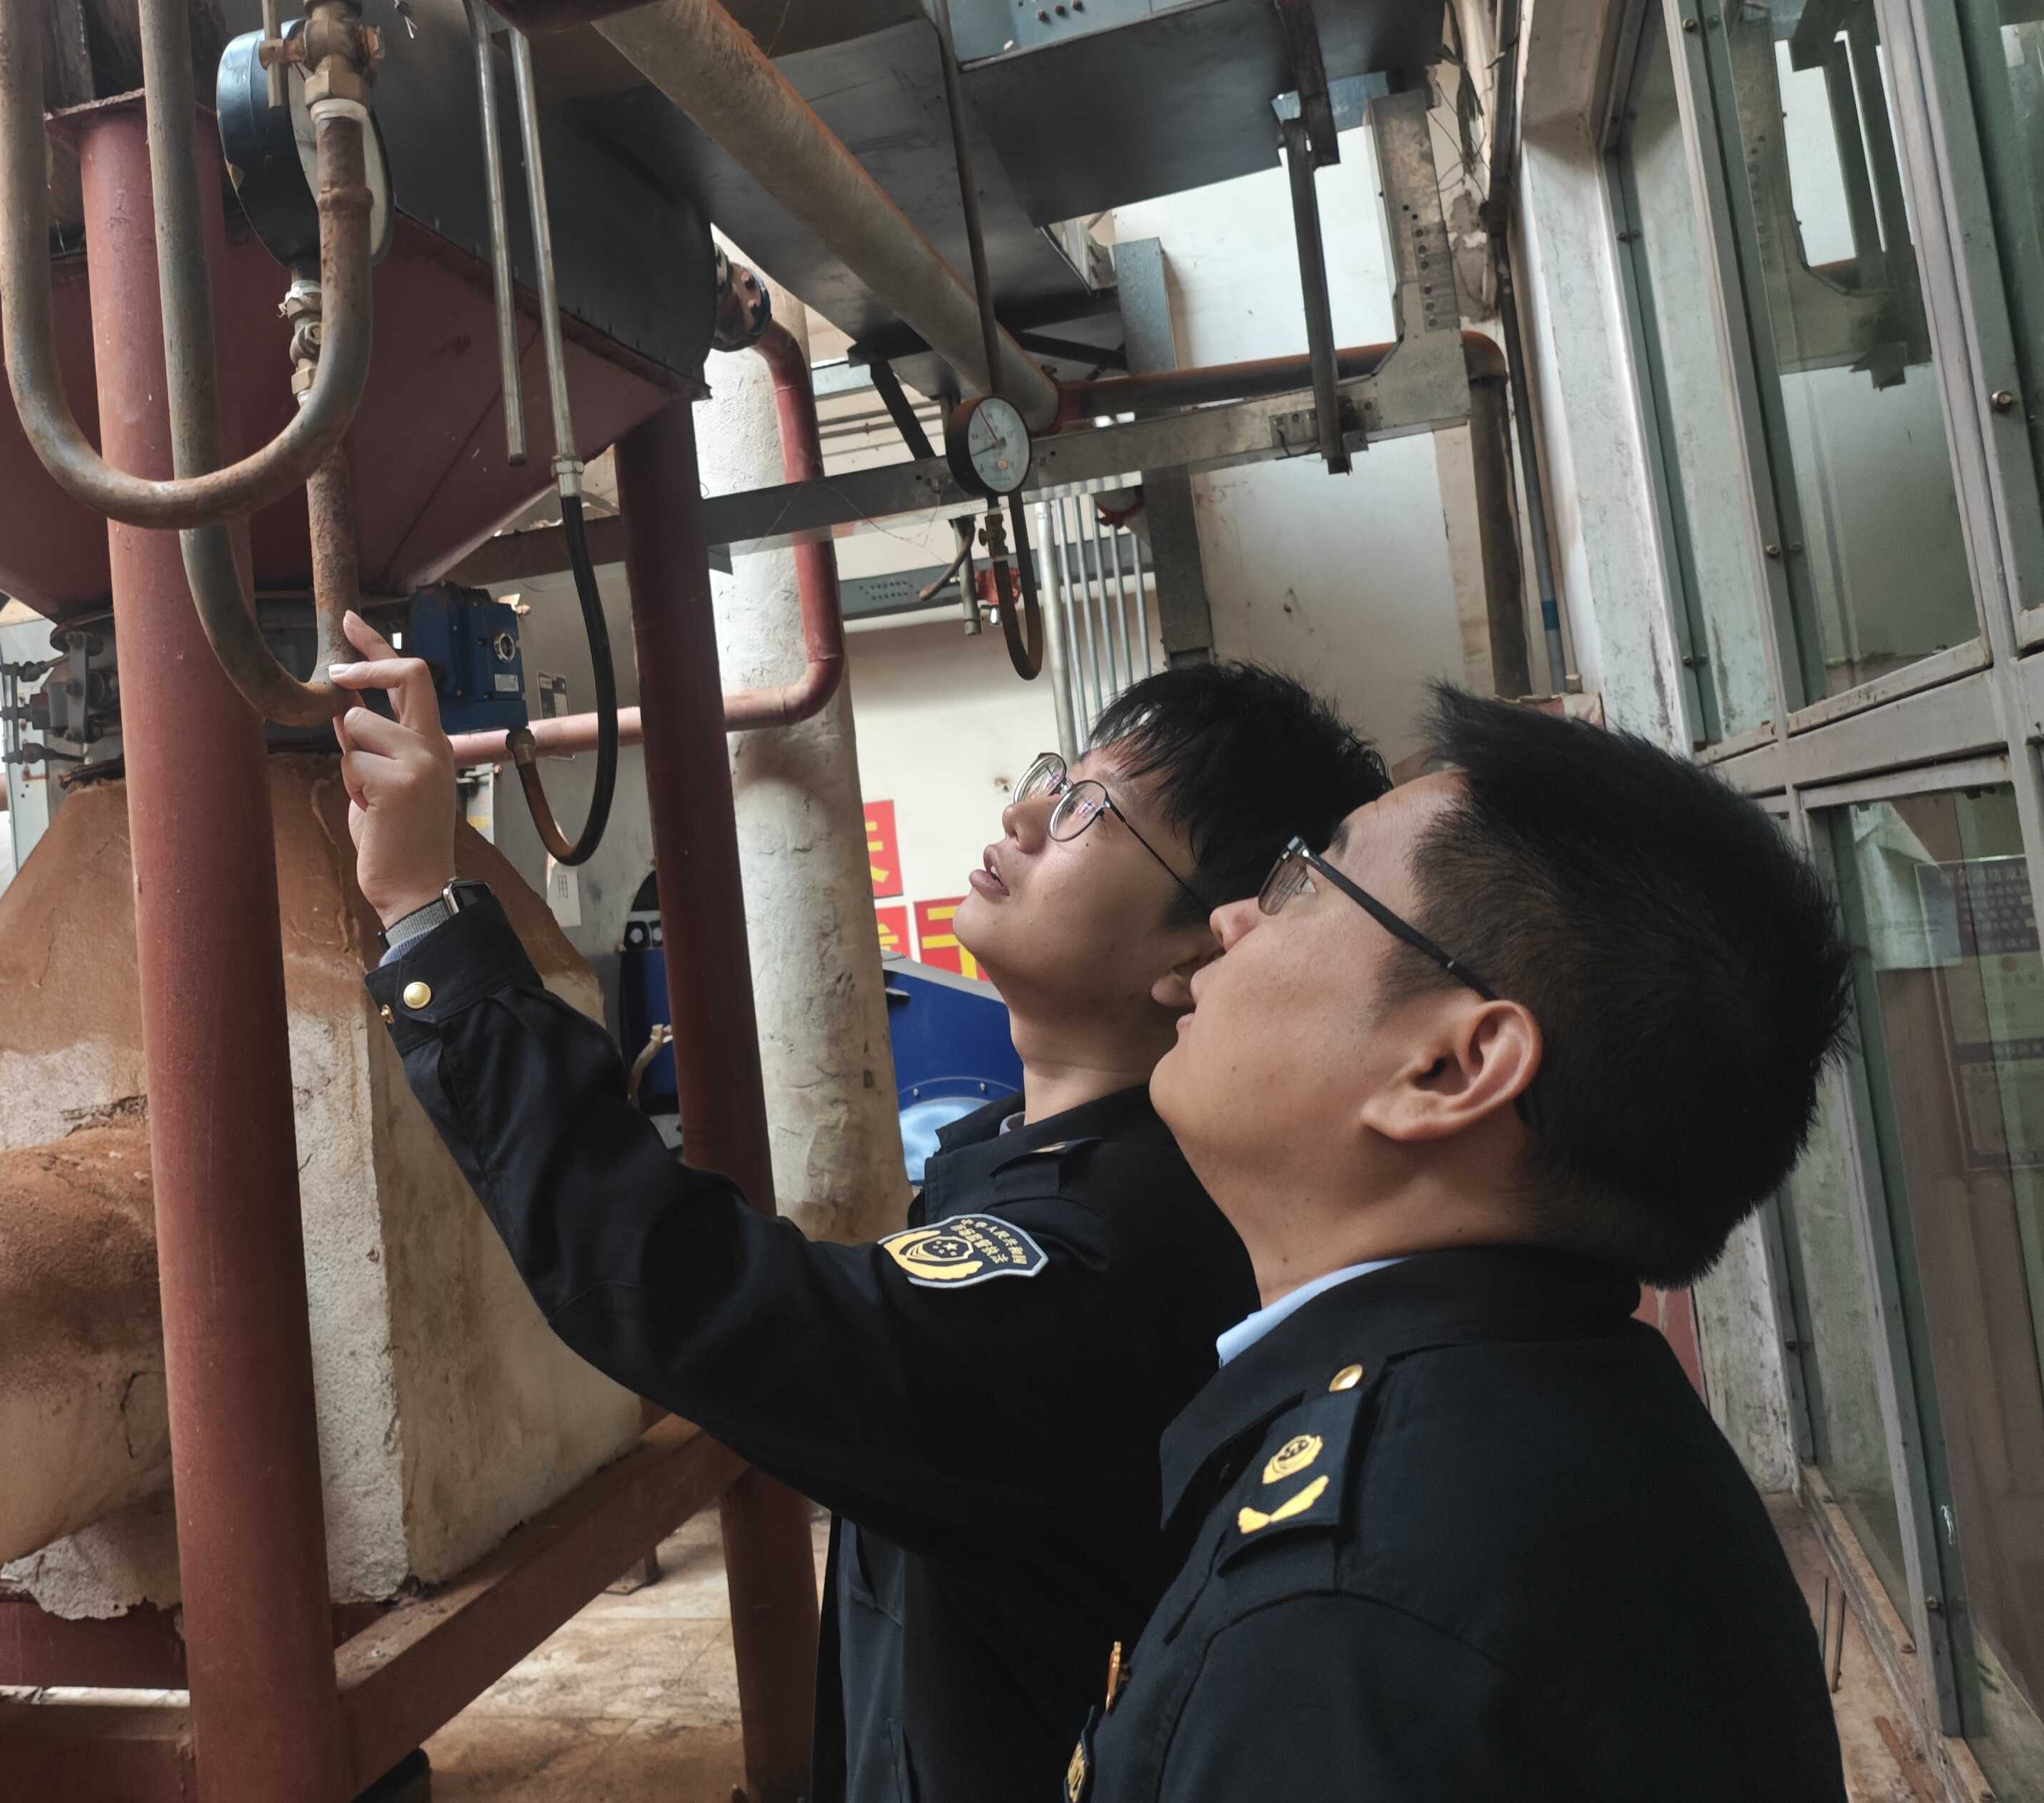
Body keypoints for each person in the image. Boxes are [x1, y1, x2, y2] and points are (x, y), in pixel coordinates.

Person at [328, 610, 1387, 1803]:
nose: (1023, 815)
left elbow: (680, 1286)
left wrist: (425, 910)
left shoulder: (1104, 1259)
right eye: (1054, 778)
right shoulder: (1021, 1158)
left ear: (1205, 950)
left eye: (1091, 810)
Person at [1058, 687, 1853, 1800]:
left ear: (1449, 1067)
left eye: (1306, 881)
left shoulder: (1341, 1619)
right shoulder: (1552, 1414)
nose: (1234, 918)